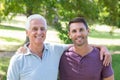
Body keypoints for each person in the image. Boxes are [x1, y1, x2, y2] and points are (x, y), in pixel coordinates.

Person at [7, 14, 111, 80]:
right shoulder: (17, 60)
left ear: (46, 32)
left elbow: (78, 43)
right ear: (27, 32)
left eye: (42, 29)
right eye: (35, 29)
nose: (39, 32)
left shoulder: (54, 50)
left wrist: (102, 47)